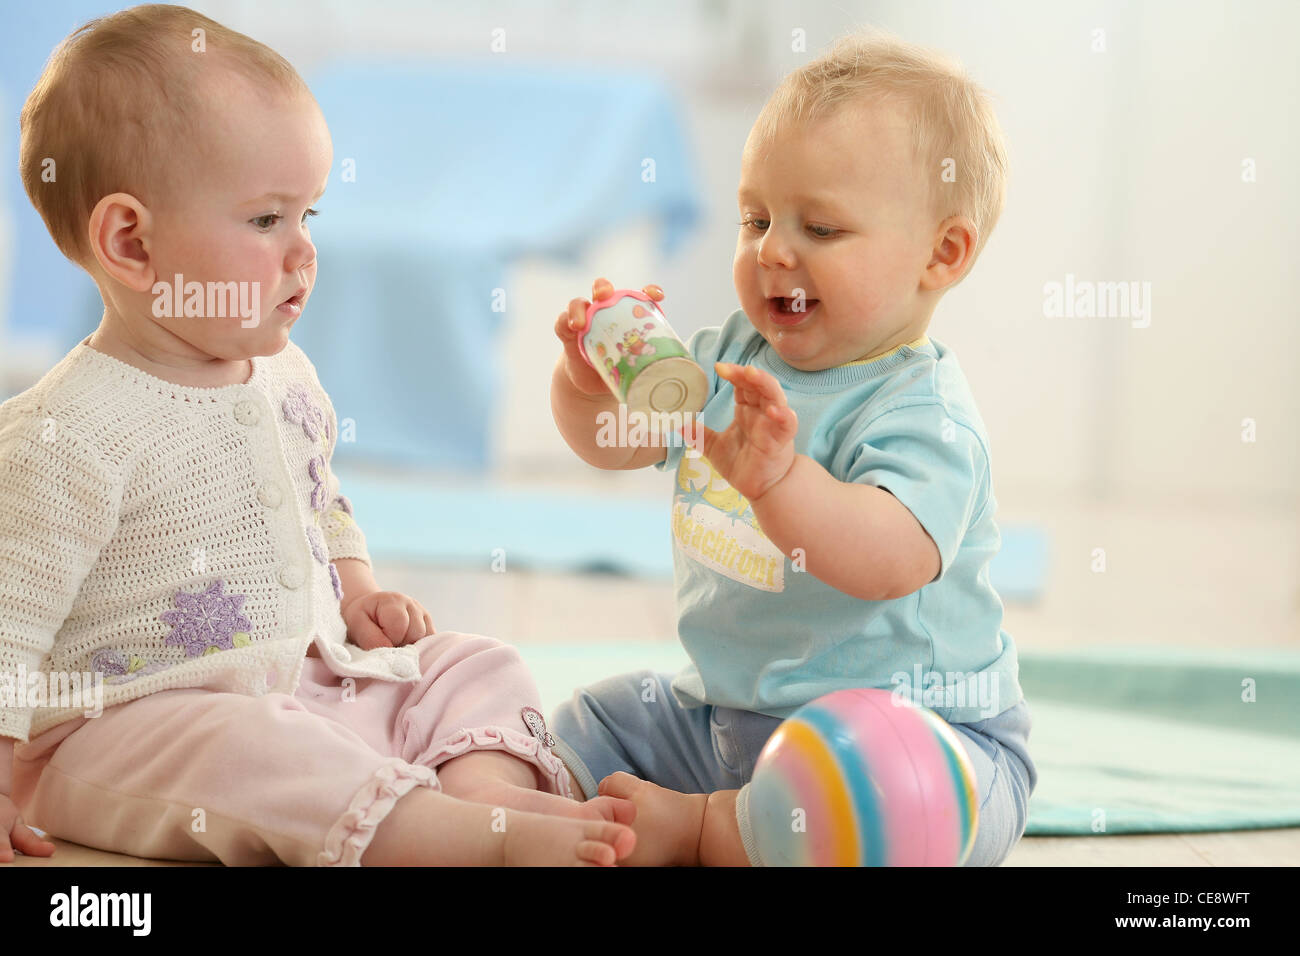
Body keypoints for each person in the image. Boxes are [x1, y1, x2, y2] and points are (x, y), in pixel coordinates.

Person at [0, 3, 635, 867]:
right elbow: (9, 617)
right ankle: (453, 841)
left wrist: (357, 589)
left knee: (470, 663)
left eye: (310, 217)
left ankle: (482, 800)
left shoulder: (285, 373)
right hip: (128, 726)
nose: (302, 252)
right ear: (132, 243)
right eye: (267, 220)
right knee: (251, 754)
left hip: (308, 675)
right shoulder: (65, 434)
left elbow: (318, 496)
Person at [548, 28, 1037, 866]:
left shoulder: (925, 414)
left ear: (941, 253)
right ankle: (569, 805)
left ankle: (709, 830)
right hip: (726, 722)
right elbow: (613, 445)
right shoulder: (729, 360)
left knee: (874, 805)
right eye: (757, 219)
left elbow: (888, 561)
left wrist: (778, 481)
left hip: (921, 744)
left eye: (820, 227)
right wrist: (588, 384)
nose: (774, 249)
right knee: (589, 722)